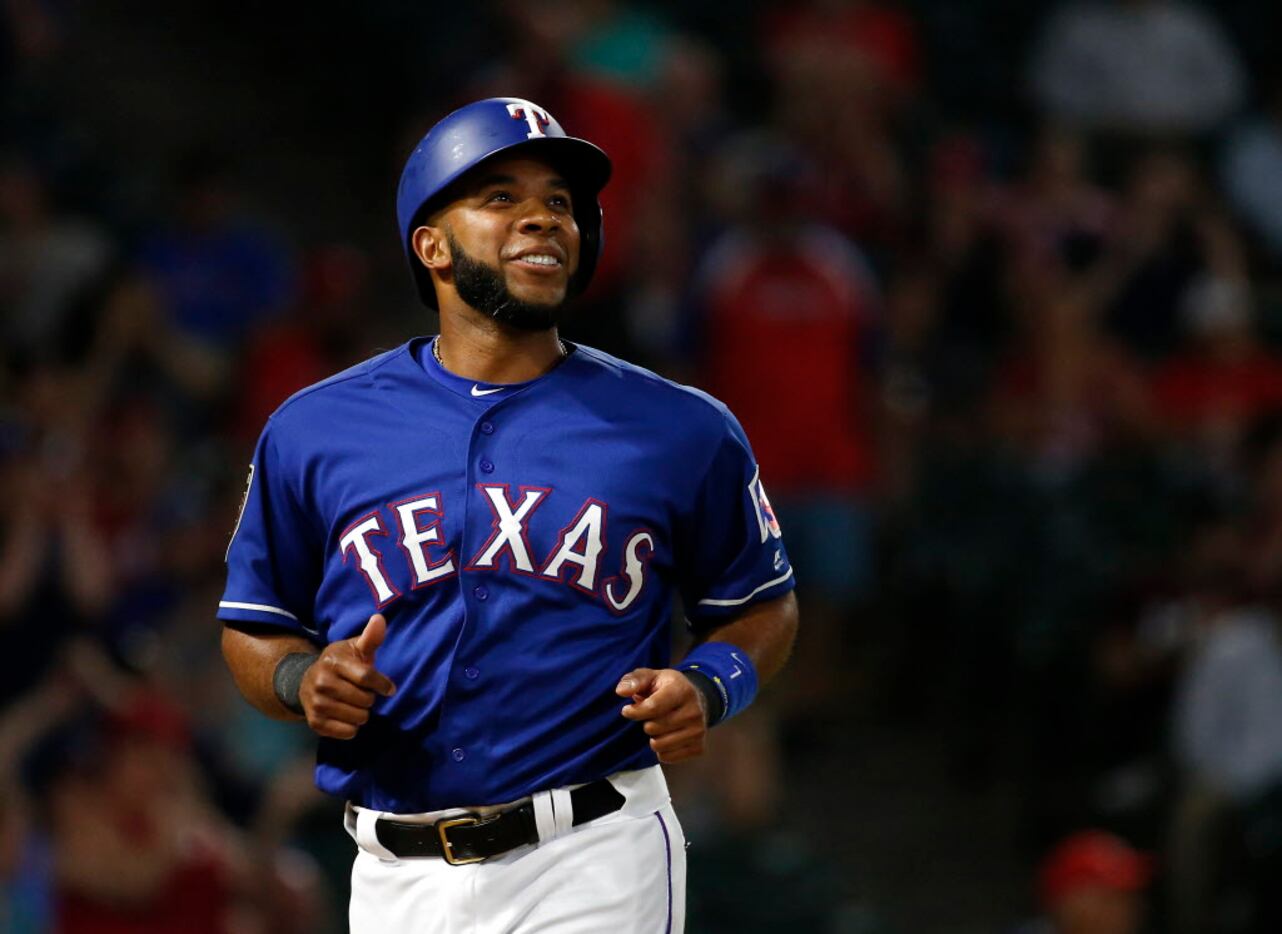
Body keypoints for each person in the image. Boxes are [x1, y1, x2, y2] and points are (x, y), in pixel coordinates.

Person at [218, 97, 799, 933]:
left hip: (593, 850)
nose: (542, 218)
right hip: (394, 872)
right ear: (431, 245)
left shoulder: (681, 427)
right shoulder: (314, 428)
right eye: (500, 197)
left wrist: (711, 683)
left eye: (560, 202)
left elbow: (762, 604)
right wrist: (298, 679)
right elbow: (253, 624)